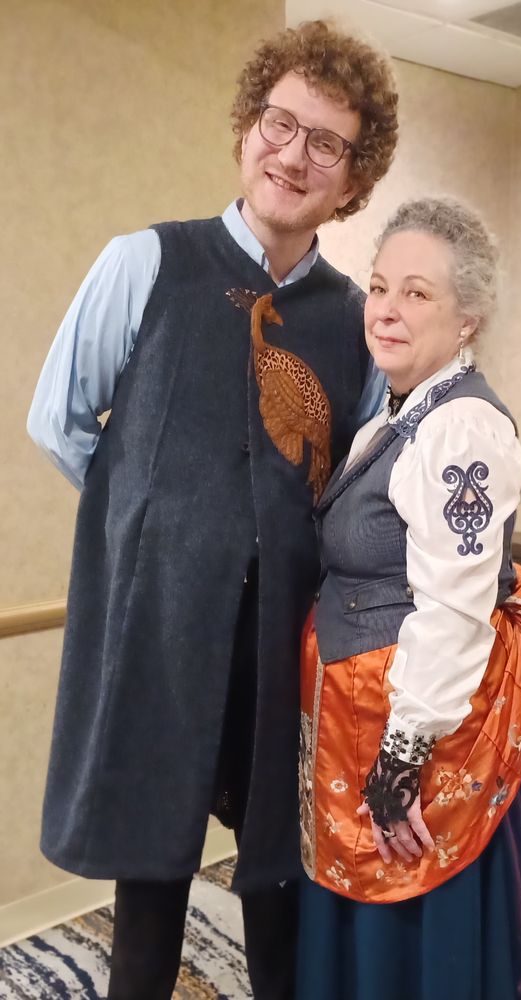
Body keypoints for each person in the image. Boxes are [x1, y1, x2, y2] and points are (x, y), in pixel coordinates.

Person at [27, 20, 398, 1000]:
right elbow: (59, 422)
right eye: (281, 123)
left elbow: (356, 487)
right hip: (161, 634)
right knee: (148, 894)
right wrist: (159, 532)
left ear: (354, 178)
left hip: (283, 649)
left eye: (328, 142)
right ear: (246, 130)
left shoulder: (354, 325)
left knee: (281, 891)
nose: (295, 153)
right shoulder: (142, 264)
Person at [297, 197, 521, 1000]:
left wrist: (405, 754)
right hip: (367, 701)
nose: (386, 309)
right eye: (379, 287)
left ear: (468, 317)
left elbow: (452, 606)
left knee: (418, 899)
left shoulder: (463, 430)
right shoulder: (393, 413)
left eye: (417, 293)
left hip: (432, 714)